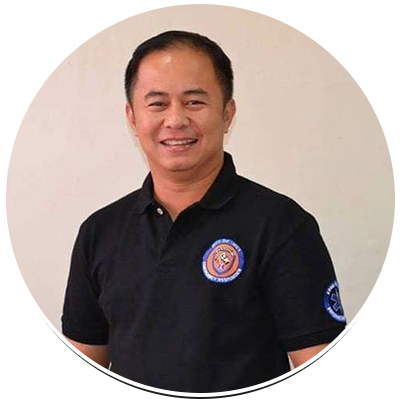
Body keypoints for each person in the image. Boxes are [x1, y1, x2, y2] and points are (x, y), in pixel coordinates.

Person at [61, 30, 346, 394]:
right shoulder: (99, 231)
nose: (176, 120)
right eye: (157, 104)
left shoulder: (282, 225)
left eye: (194, 102)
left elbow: (324, 375)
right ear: (132, 118)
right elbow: (80, 371)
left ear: (227, 114)